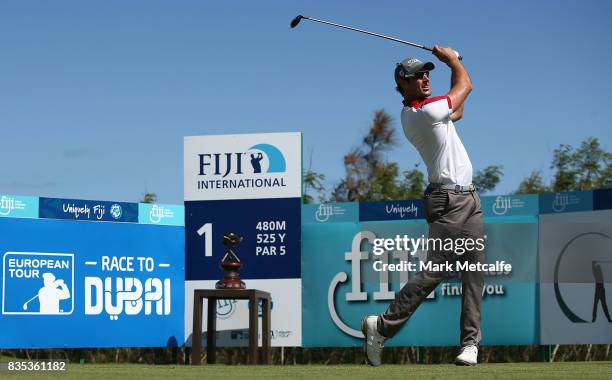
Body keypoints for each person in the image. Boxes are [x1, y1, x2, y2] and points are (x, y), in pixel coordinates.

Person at [362, 46, 485, 366]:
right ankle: (383, 326)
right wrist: (453, 60)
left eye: (428, 72)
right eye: (418, 75)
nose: (425, 78)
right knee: (436, 270)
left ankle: (470, 344)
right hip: (449, 200)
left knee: (473, 273)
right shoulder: (420, 113)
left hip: (468, 198)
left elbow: (458, 109)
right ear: (403, 83)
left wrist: (455, 69)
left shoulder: (432, 111)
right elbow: (466, 87)